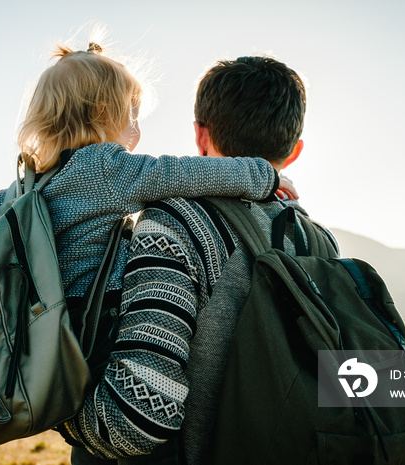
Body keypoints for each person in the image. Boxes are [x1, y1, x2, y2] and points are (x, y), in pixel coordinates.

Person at [60, 55, 338, 464]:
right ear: (294, 152)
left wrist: (51, 408)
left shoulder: (177, 225)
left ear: (199, 136)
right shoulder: (321, 244)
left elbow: (136, 421)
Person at [0, 43, 296, 375]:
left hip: (33, 331)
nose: (137, 126)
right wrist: (265, 175)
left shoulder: (17, 191)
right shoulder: (103, 167)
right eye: (132, 113)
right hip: (90, 326)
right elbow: (181, 176)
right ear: (104, 114)